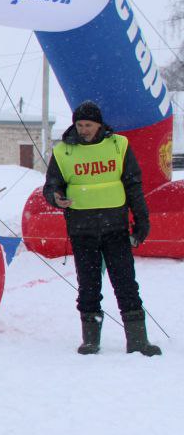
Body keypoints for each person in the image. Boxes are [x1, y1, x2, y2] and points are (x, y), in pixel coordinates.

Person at [42, 101, 160, 356]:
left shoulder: (119, 145)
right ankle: (90, 340)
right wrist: (56, 197)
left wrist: (142, 221)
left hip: (115, 227)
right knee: (88, 285)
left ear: (100, 125)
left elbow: (133, 185)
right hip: (82, 230)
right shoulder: (63, 151)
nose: (83, 130)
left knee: (126, 282)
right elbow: (51, 185)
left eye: (89, 125)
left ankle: (138, 341)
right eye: (80, 125)